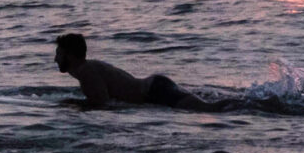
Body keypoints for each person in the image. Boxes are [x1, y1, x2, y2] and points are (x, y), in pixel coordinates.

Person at [54, 32, 215, 110]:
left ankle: (239, 106)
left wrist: (70, 104)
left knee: (211, 110)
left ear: (70, 55)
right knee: (208, 109)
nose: (55, 59)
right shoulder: (90, 67)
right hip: (154, 88)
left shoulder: (86, 72)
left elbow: (101, 104)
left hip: (154, 91)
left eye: (59, 54)